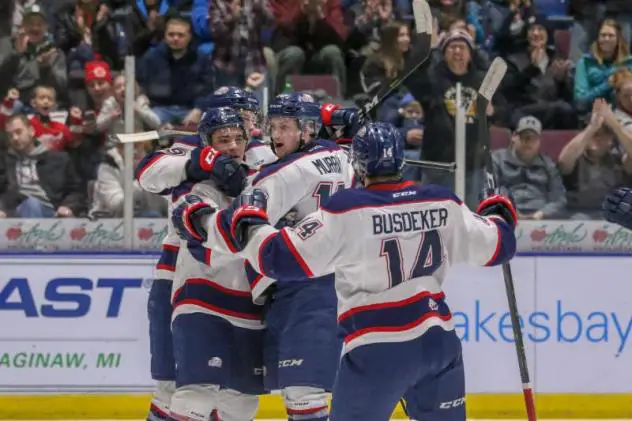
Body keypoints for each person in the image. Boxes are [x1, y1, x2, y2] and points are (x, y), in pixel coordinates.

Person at [174, 122, 518, 421]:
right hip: (440, 345)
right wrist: (498, 211)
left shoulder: (346, 209)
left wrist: (251, 222)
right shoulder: (444, 202)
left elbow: (278, 259)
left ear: (359, 165)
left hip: (379, 349)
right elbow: (500, 246)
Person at [174, 94, 355, 421]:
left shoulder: (278, 175)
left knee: (304, 394)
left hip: (309, 287)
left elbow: (236, 230)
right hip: (319, 285)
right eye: (273, 127)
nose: (275, 135)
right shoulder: (344, 154)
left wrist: (197, 220)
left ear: (308, 129)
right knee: (298, 394)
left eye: (285, 127)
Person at [134, 109, 248, 421]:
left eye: (242, 131)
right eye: (223, 137)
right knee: (177, 387)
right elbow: (147, 172)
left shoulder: (265, 156)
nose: (234, 143)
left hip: (241, 289)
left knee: (236, 395)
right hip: (181, 278)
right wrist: (199, 162)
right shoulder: (192, 156)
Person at [167, 107, 265, 421]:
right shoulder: (193, 186)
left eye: (239, 138)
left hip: (249, 306)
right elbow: (197, 229)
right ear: (208, 145)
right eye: (224, 140)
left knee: (242, 401)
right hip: (202, 301)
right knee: (195, 394)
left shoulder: (265, 182)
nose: (234, 146)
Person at [201, 86, 277, 169]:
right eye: (245, 118)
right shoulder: (190, 156)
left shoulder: (262, 151)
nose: (252, 127)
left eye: (253, 119)